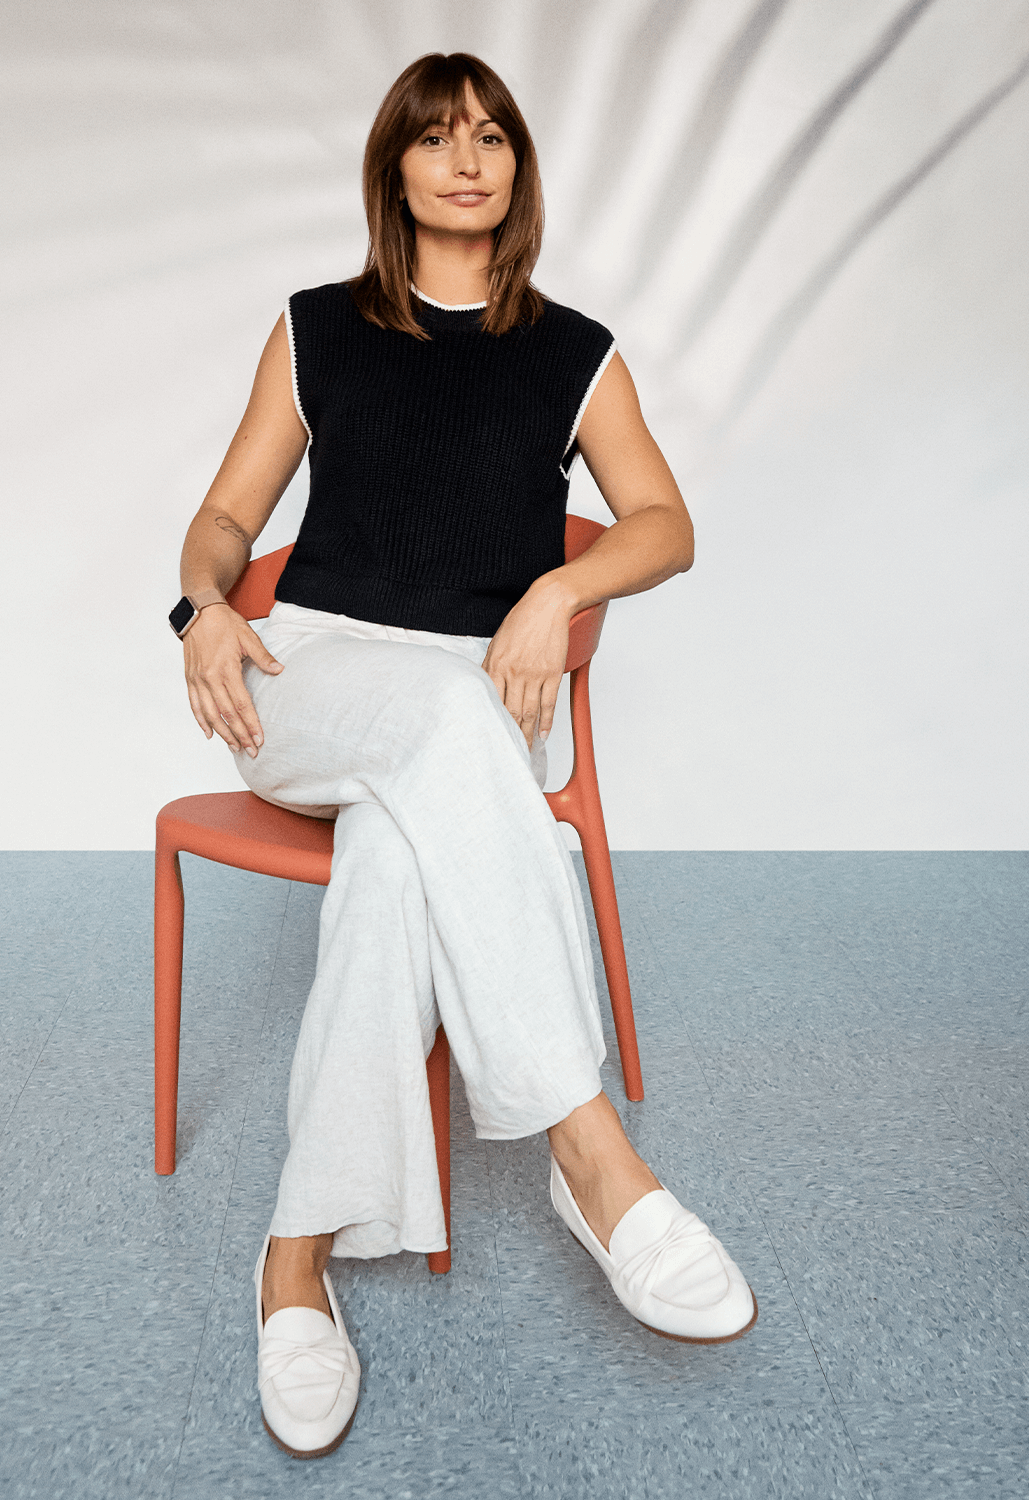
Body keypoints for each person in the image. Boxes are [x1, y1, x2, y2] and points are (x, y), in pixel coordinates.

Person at [171, 52, 756, 1461]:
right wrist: (201, 609)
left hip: (473, 700)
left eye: (491, 136)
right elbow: (226, 520)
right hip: (313, 681)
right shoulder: (317, 328)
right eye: (437, 139)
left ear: (517, 169)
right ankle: (590, 1155)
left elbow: (664, 523)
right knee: (442, 729)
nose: (468, 159)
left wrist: (560, 589)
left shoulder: (572, 351)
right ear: (397, 170)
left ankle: (294, 1261)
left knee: (393, 866)